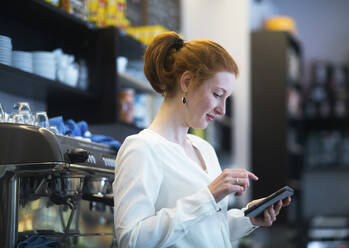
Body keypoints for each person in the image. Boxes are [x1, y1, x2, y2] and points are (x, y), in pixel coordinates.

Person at [113, 32, 291, 248]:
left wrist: (248, 218)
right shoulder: (142, 148)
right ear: (187, 82)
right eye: (217, 94)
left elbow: (204, 230)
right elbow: (131, 240)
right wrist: (208, 195)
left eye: (226, 98)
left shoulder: (204, 148)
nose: (222, 110)